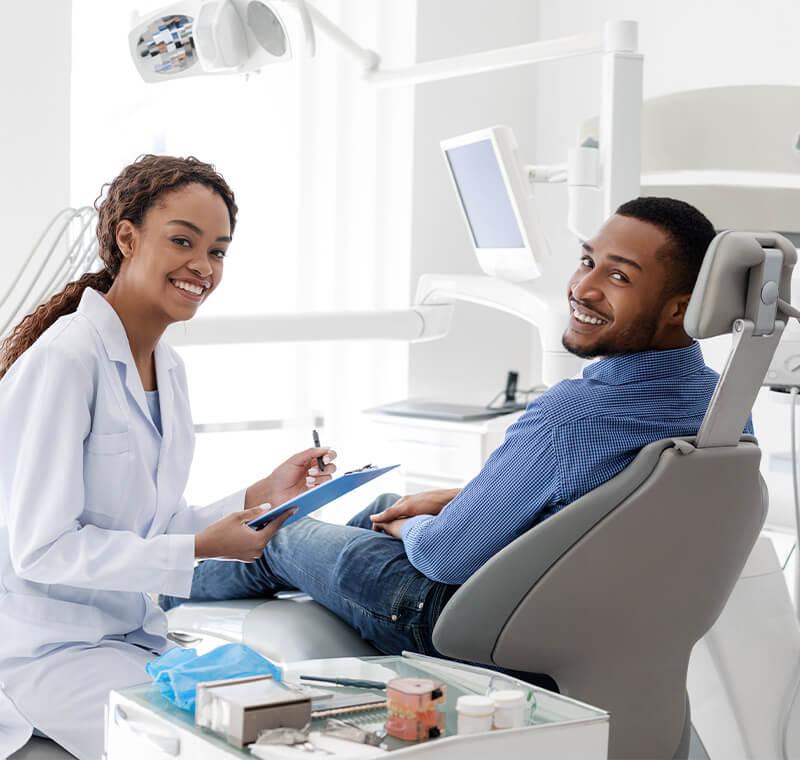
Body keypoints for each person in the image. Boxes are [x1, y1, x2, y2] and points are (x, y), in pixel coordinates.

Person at [162, 196, 754, 658]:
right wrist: (438, 503)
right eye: (586, 260)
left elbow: (446, 559)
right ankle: (266, 579)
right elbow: (602, 505)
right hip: (585, 612)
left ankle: (151, 593)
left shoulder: (570, 416)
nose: (583, 287)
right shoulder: (724, 407)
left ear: (680, 306)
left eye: (619, 277)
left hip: (456, 617)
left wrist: (420, 526)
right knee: (390, 503)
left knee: (283, 533)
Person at [0, 155, 336, 760]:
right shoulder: (66, 361)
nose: (202, 267)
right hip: (42, 652)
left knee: (285, 719)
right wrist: (204, 548)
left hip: (127, 635)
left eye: (218, 251)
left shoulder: (167, 369)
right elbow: (42, 550)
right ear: (127, 237)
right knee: (223, 746)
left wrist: (262, 494)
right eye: (183, 240)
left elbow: (153, 525)